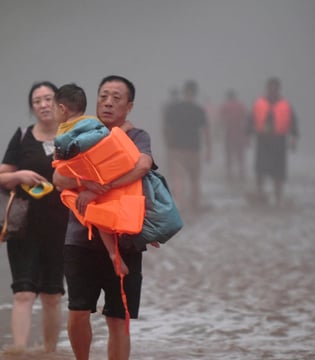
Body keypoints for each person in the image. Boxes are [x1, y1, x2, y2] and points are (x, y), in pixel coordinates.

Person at [53, 75, 156, 360]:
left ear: (129, 105)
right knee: (77, 311)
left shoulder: (137, 137)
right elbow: (58, 176)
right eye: (103, 96)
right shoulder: (77, 132)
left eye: (116, 98)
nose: (108, 103)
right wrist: (85, 185)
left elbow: (142, 166)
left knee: (117, 318)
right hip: (80, 236)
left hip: (126, 238)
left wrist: (105, 185)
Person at [0, 81, 69, 353]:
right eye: (37, 101)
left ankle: (50, 353)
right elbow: (1, 177)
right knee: (23, 292)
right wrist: (19, 176)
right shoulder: (22, 136)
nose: (43, 105)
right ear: (32, 107)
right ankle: (19, 352)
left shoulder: (70, 136)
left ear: (60, 104)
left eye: (48, 99)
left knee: (52, 295)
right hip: (23, 226)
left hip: (61, 226)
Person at [52, 83, 137, 277]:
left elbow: (105, 140)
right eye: (104, 97)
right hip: (90, 177)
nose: (108, 104)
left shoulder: (65, 131)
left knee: (95, 215)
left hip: (89, 176)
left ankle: (114, 254)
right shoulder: (88, 122)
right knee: (98, 215)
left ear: (62, 109)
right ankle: (114, 254)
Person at [248, 77, 299, 205]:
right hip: (263, 141)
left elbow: (293, 124)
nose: (272, 91)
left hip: (279, 142)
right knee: (260, 171)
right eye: (270, 88)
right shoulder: (259, 104)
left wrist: (293, 140)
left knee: (279, 174)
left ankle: (278, 198)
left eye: (275, 88)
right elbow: (250, 120)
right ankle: (260, 194)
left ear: (279, 89)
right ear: (267, 89)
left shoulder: (286, 105)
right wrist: (247, 136)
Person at [163, 80, 210, 211]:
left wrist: (169, 146)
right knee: (194, 178)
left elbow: (167, 129)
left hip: (177, 148)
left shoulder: (173, 109)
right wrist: (209, 150)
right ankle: (194, 204)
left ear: (184, 92)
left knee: (179, 177)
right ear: (195, 93)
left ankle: (181, 206)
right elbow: (206, 131)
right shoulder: (199, 110)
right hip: (194, 149)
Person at [219, 89, 248, 181]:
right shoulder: (241, 106)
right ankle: (241, 173)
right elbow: (246, 118)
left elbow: (220, 119)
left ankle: (229, 174)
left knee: (229, 155)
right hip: (240, 134)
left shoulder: (225, 106)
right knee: (240, 155)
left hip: (229, 133)